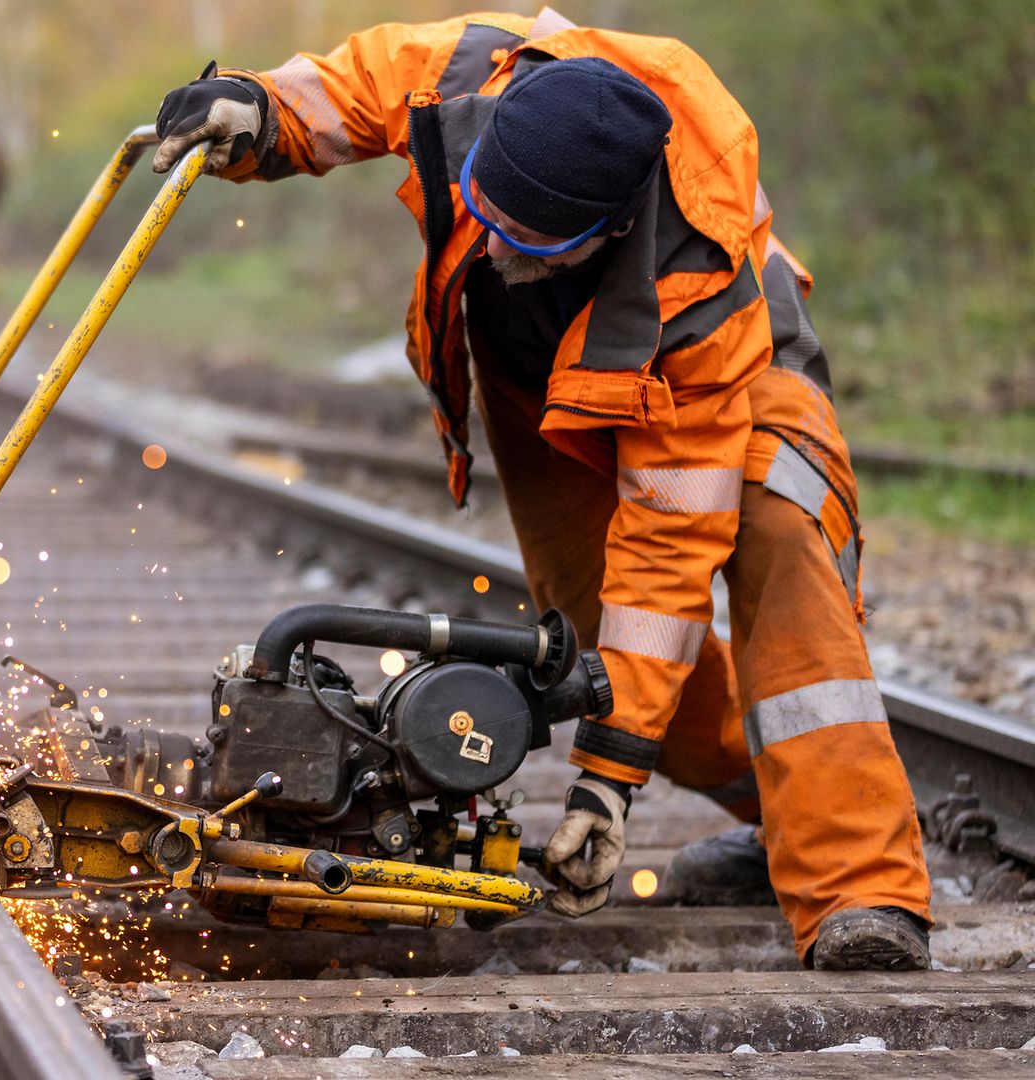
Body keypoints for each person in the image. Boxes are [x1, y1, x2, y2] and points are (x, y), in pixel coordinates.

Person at [151, 8, 931, 969]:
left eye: (525, 236)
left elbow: (668, 558)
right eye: (483, 206)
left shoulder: (697, 287)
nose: (488, 238)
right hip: (550, 385)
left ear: (606, 233)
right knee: (600, 650)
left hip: (726, 374)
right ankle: (780, 819)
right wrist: (257, 110)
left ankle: (862, 891)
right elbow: (351, 86)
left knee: (777, 551)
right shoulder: (477, 77)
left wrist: (604, 787)